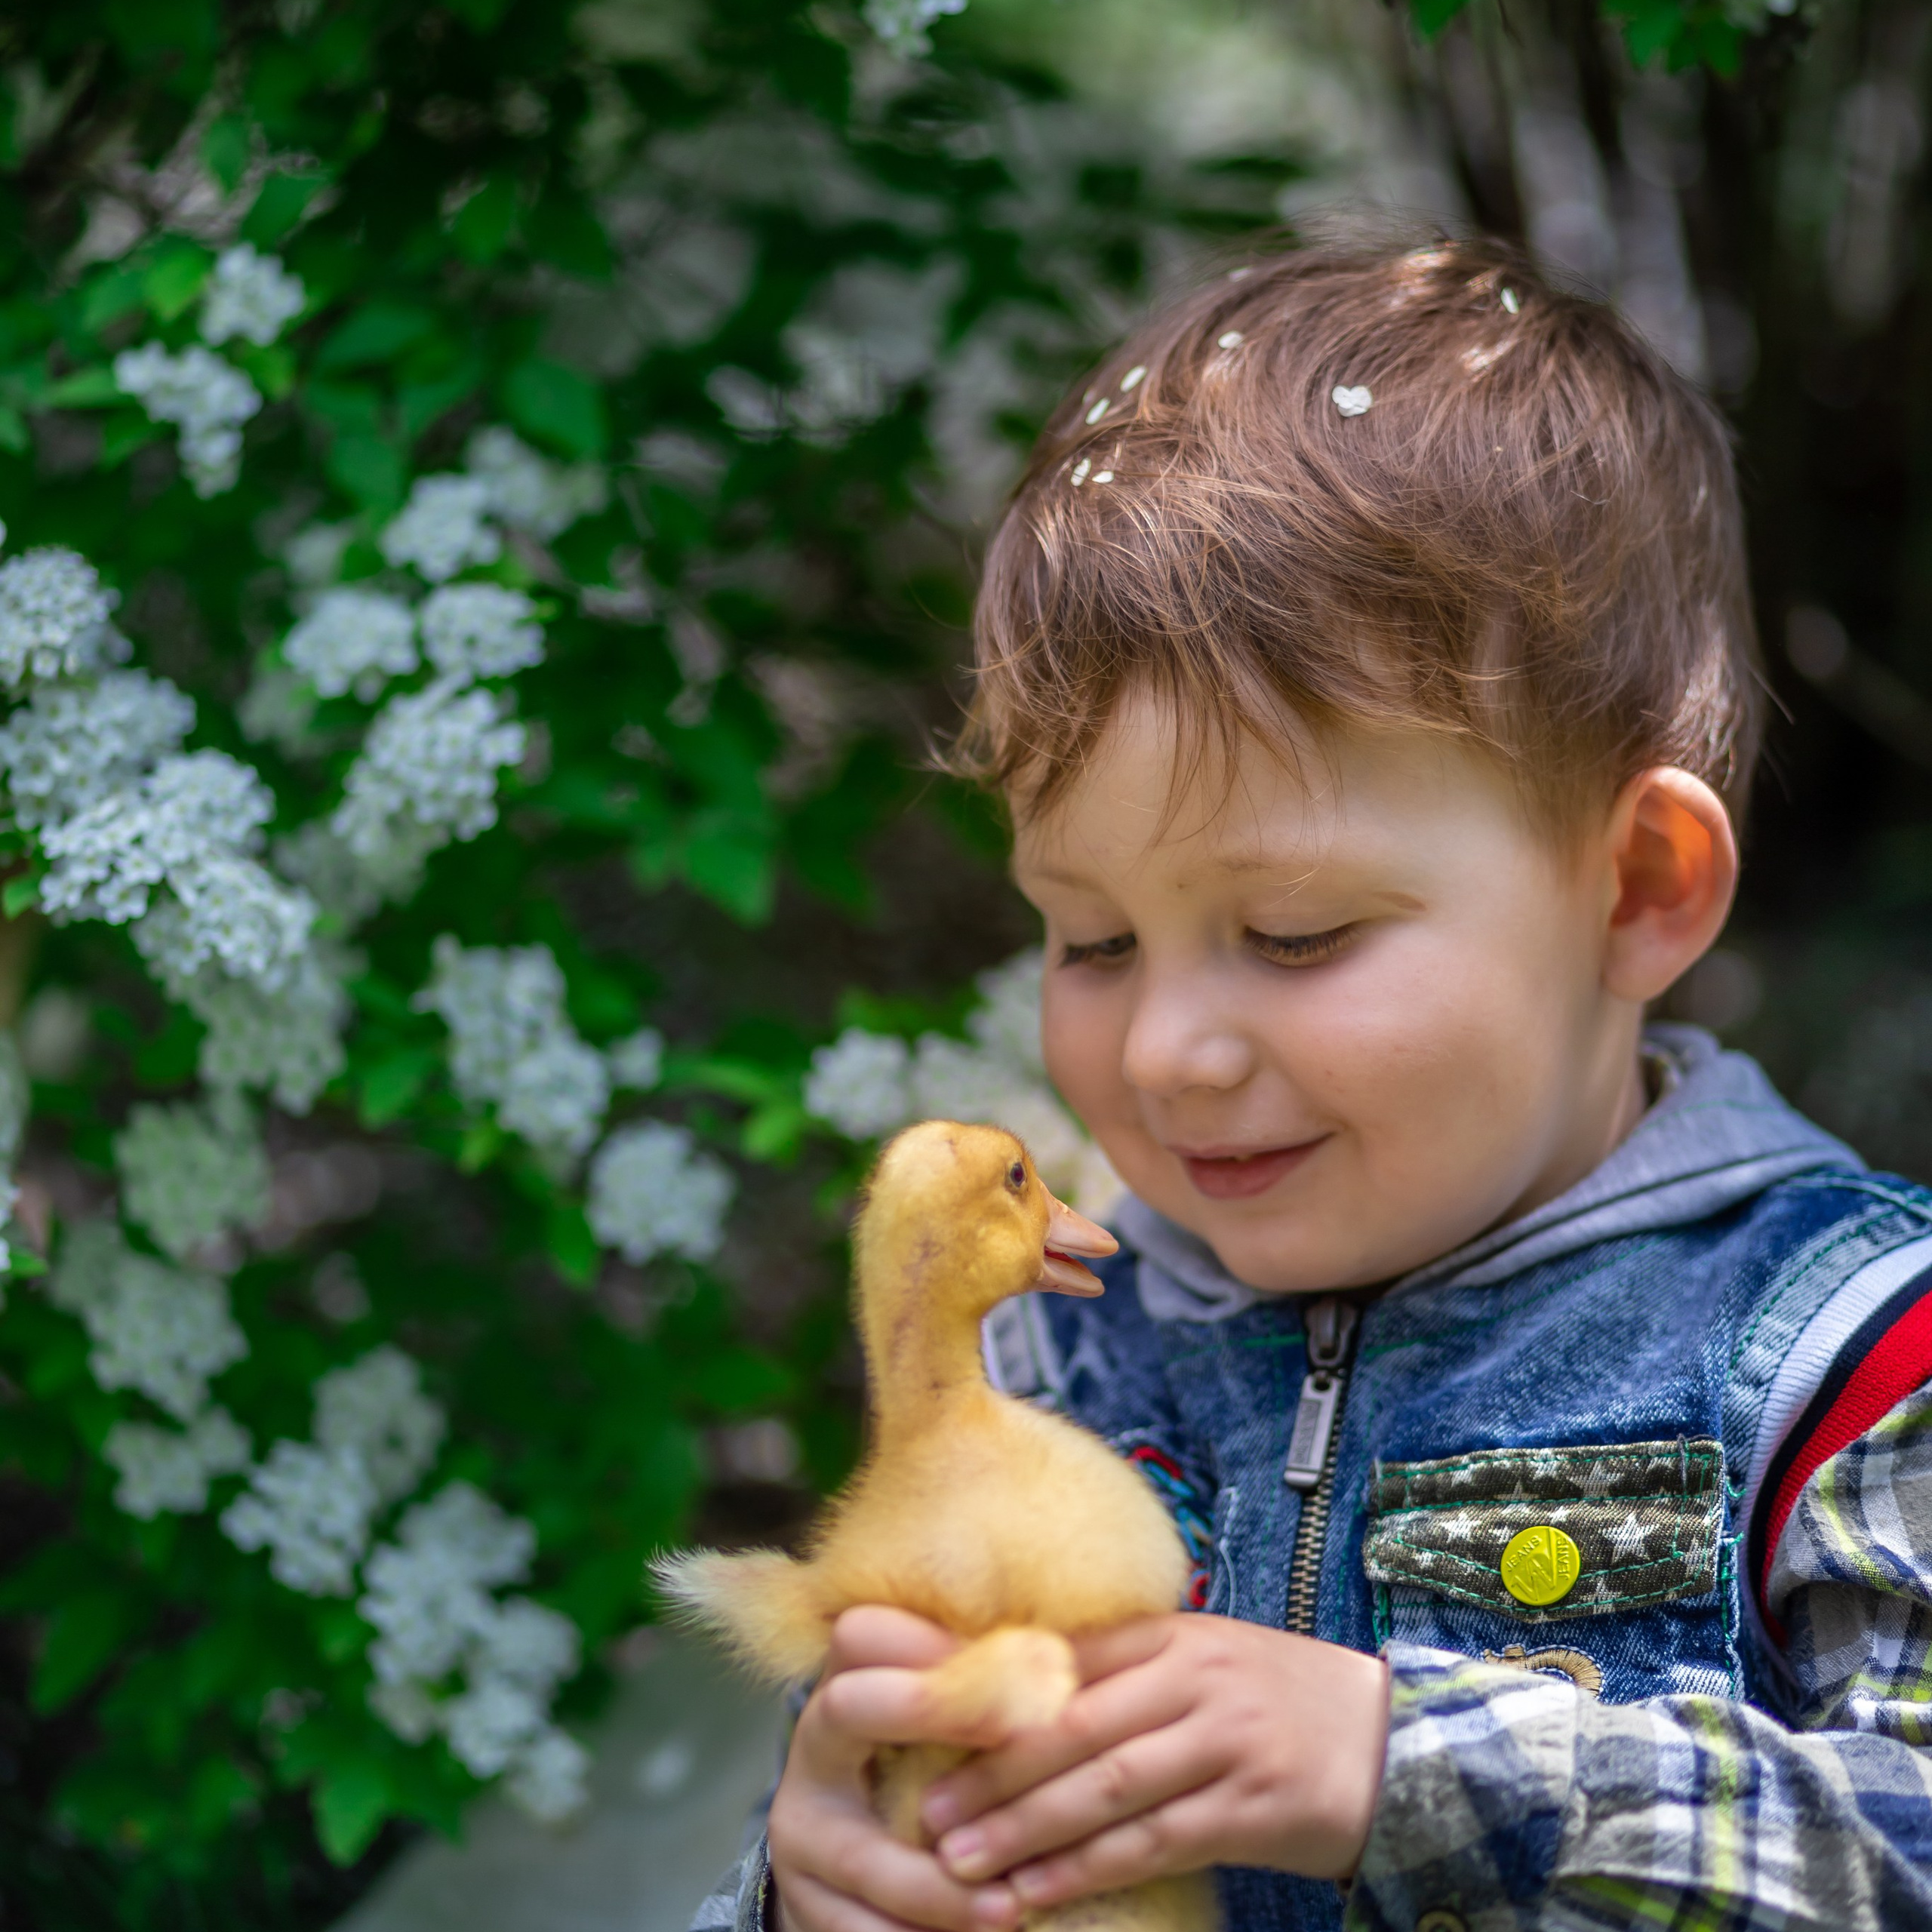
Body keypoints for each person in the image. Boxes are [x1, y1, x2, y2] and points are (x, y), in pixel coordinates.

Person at [691, 239, 1932, 1931]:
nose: (1159, 1051)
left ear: (1633, 885)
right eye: (1090, 939)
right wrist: (811, 1881)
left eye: (1290, 931)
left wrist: (1406, 1767)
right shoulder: (1056, 1347)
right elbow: (861, 1785)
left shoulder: (1849, 1358)